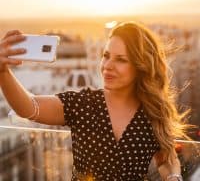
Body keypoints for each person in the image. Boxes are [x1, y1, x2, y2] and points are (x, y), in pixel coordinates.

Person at [0, 22, 189, 181]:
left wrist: (174, 176)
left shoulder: (153, 112)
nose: (107, 66)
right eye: (106, 56)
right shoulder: (84, 103)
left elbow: (166, 159)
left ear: (141, 66)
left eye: (121, 60)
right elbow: (29, 107)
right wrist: (2, 71)